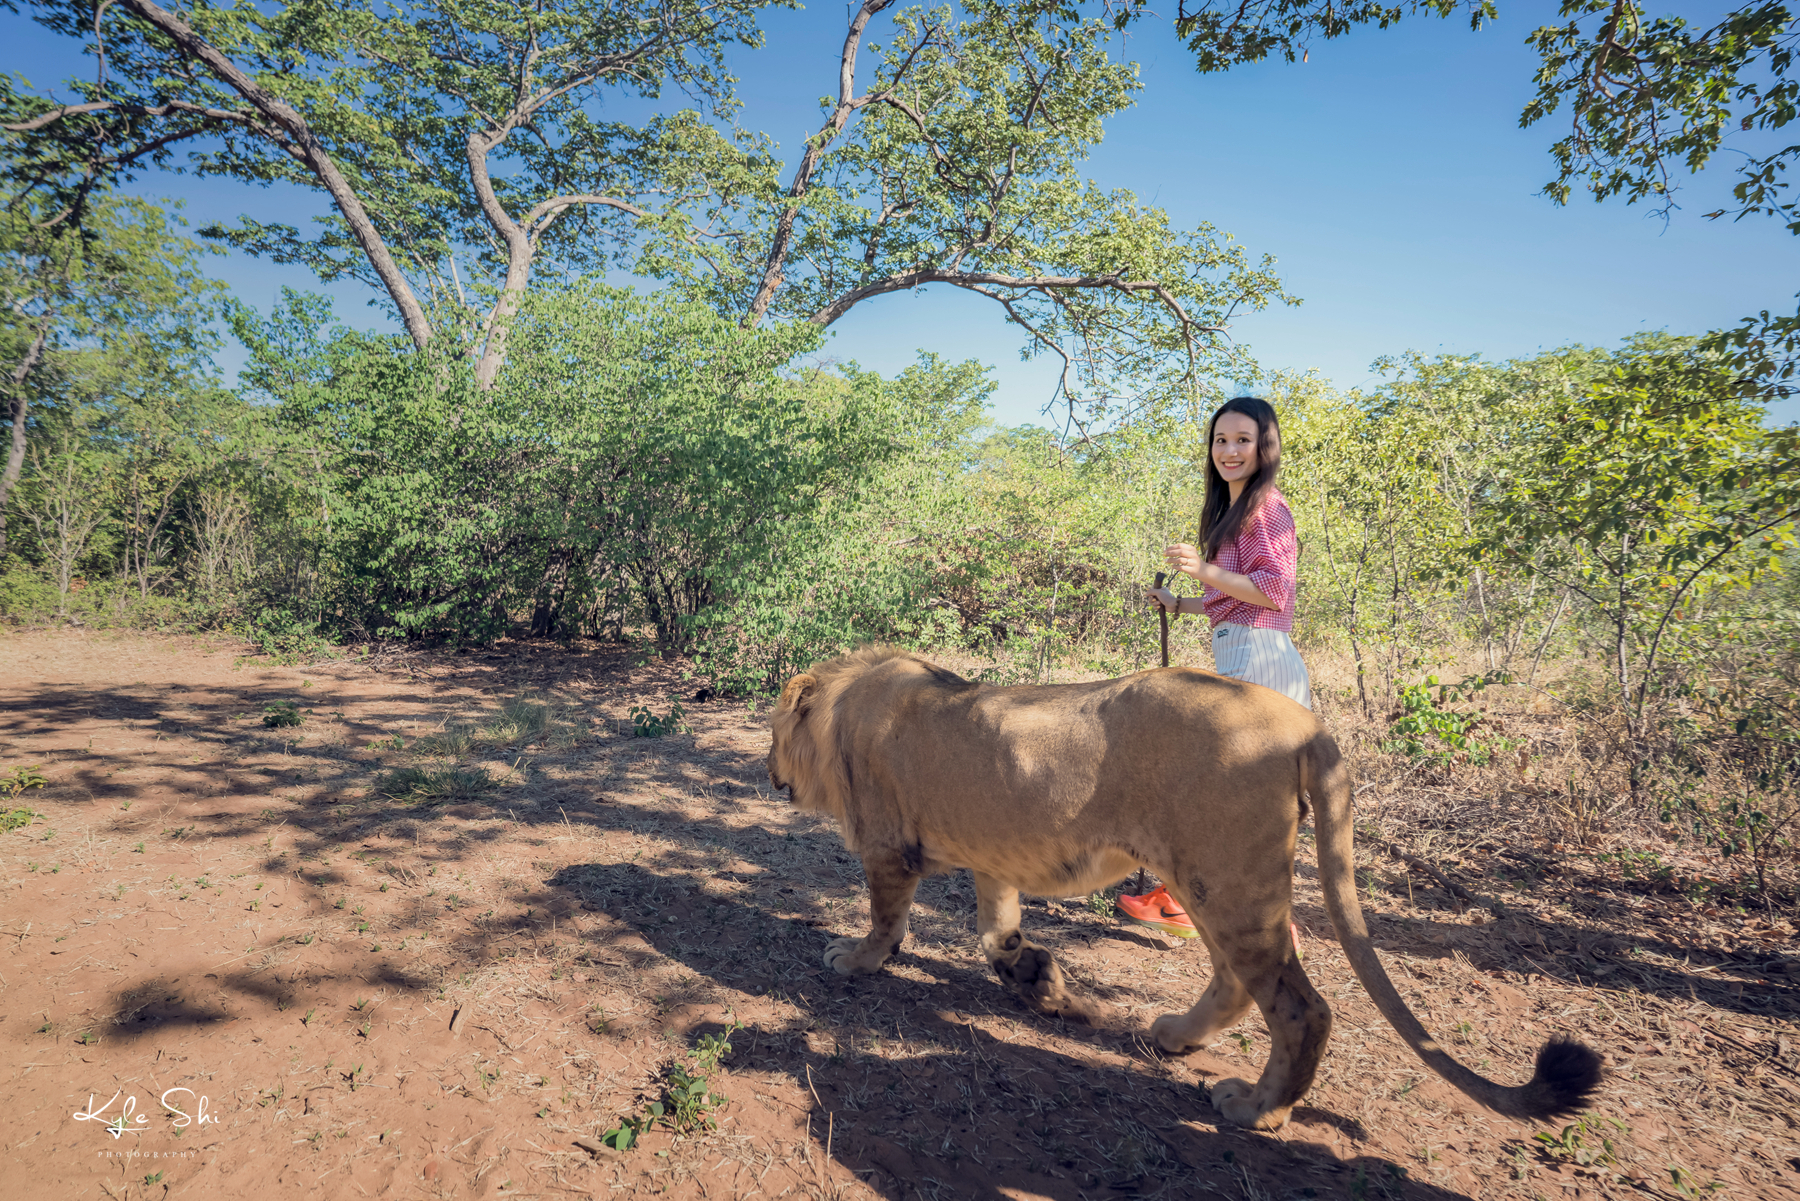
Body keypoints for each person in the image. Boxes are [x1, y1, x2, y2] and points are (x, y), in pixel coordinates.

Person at [1115, 395, 1312, 941]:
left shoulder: (1265, 506)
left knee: (1236, 795)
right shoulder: (1235, 509)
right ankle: (1186, 899)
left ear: (1264, 447)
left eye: (1242, 440)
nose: (1228, 450)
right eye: (1220, 439)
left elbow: (1274, 592)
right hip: (1244, 644)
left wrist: (1201, 568)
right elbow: (1238, 598)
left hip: (1260, 655)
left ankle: (1265, 925)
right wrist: (1182, 603)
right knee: (1234, 795)